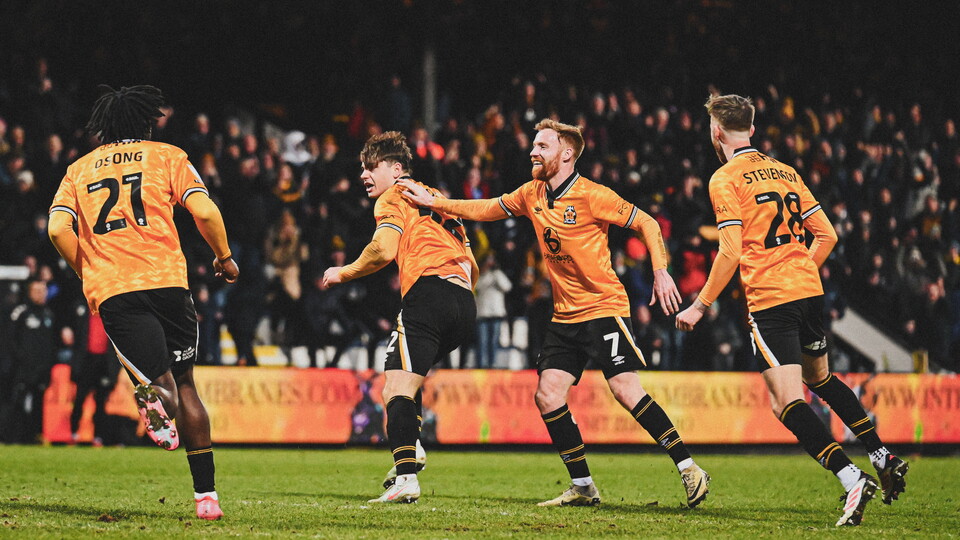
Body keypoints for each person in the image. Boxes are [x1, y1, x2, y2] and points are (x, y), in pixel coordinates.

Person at [399, 118, 710, 508]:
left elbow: (646, 222)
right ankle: (583, 486)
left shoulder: (593, 195)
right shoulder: (533, 193)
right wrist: (434, 203)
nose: (533, 151)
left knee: (625, 389)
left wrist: (661, 271)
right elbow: (487, 208)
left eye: (542, 146)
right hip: (565, 315)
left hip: (603, 307)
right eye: (533, 144)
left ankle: (689, 468)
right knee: (548, 395)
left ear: (566, 154)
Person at [675, 94, 908, 527]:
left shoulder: (725, 178)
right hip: (809, 290)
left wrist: (699, 305)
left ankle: (851, 477)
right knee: (820, 378)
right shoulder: (786, 171)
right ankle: (881, 453)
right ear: (753, 128)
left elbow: (729, 251)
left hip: (773, 298)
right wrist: (800, 268)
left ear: (717, 132)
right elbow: (828, 235)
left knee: (785, 402)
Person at [48, 85, 239, 521]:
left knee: (161, 385)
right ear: (146, 124)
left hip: (116, 289)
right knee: (187, 381)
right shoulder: (166, 156)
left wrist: (87, 269)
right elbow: (205, 212)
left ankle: (157, 400)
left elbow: (58, 230)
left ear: (103, 130)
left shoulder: (78, 170)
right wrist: (225, 258)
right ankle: (206, 498)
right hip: (168, 282)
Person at [321, 131, 478, 504]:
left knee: (394, 388)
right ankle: (415, 448)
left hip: (429, 295)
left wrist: (343, 273)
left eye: (370, 166)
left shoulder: (395, 195)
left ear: (395, 169)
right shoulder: (436, 199)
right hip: (464, 301)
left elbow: (382, 249)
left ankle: (406, 477)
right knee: (408, 375)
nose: (363, 174)